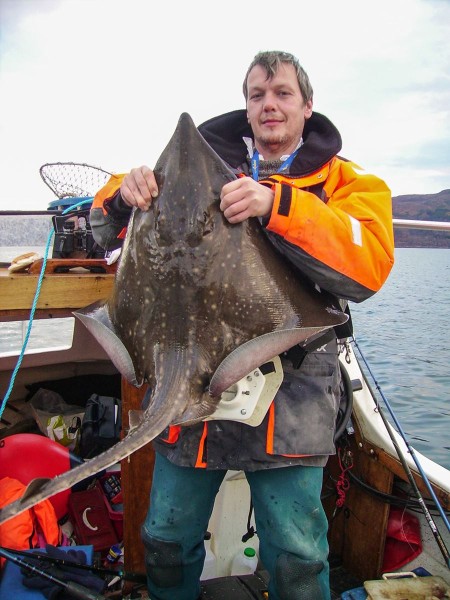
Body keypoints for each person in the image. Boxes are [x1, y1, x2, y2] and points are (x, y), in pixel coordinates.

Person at [90, 50, 394, 600]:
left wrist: (277, 204)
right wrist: (122, 196)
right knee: (164, 536)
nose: (269, 105)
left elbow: (367, 265)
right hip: (187, 384)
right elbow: (103, 229)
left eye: (281, 94)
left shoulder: (349, 183)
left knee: (298, 550)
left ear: (307, 105)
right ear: (246, 106)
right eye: (257, 95)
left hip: (295, 394)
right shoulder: (206, 165)